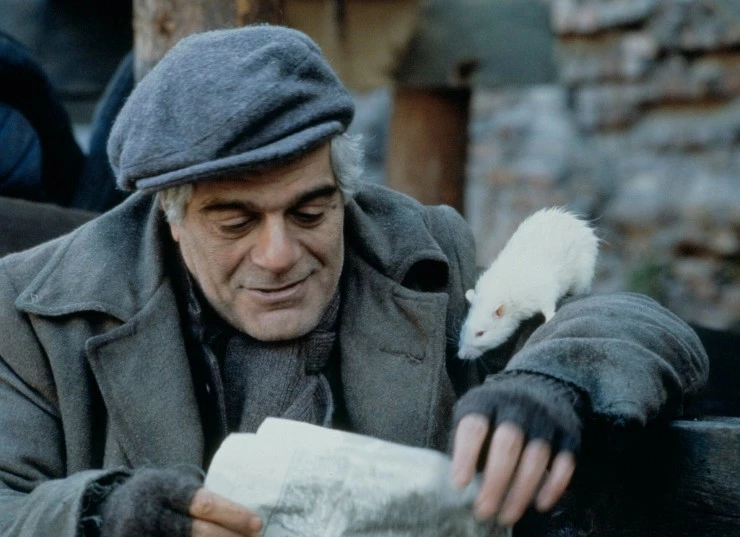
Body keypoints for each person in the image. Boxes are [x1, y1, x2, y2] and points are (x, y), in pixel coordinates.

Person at [0, 24, 708, 537]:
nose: (279, 254)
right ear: (172, 216)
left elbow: (640, 325)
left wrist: (553, 381)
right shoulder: (35, 313)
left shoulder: (424, 252)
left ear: (344, 190)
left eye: (310, 211)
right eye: (236, 222)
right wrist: (106, 514)